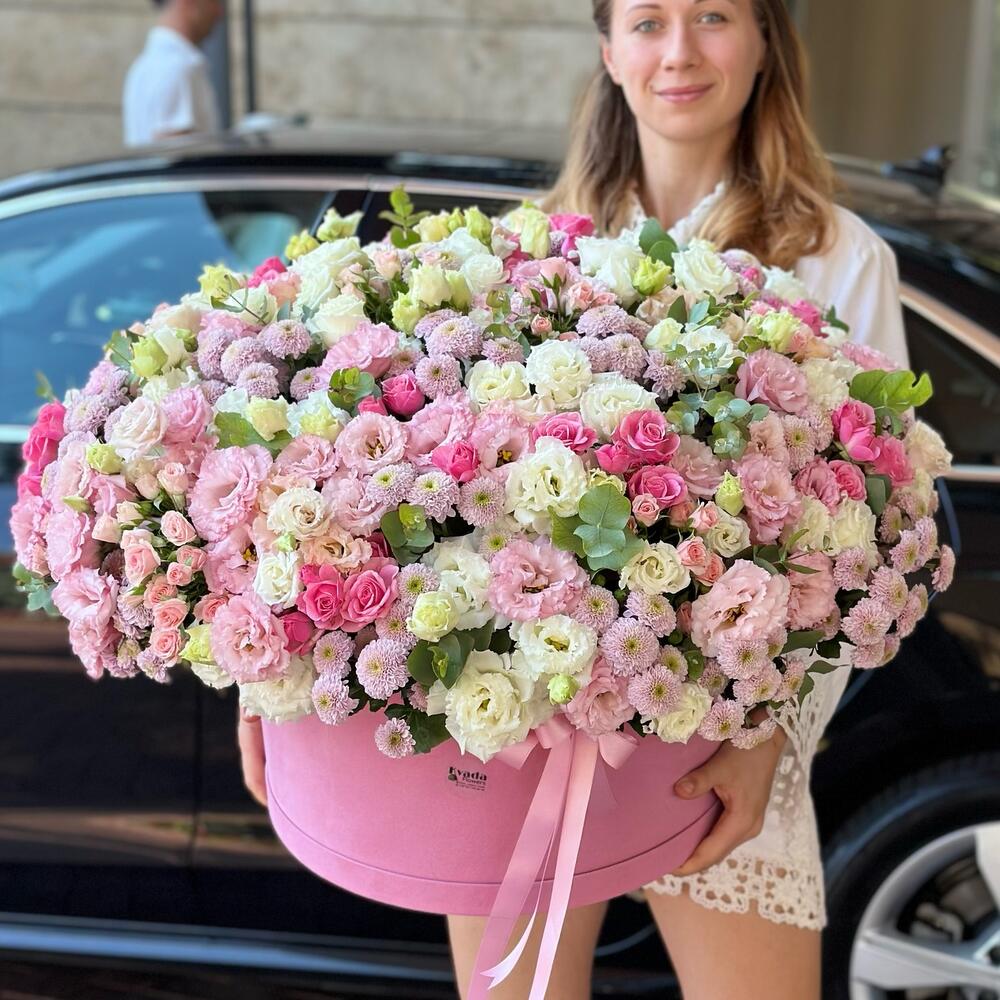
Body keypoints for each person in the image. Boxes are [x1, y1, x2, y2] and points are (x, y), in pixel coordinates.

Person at [239, 2, 909, 996]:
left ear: (767, 39)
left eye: (713, 16)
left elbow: (864, 546)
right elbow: (399, 507)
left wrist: (767, 739)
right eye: (648, 21)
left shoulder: (837, 256)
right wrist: (271, 684)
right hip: (523, 732)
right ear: (609, 50)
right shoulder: (530, 250)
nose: (678, 52)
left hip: (719, 733)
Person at [122, 0, 224, 147]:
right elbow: (175, 155)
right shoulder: (177, 67)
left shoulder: (148, 63)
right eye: (213, 2)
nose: (219, 12)